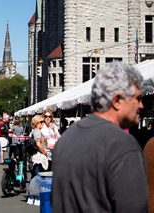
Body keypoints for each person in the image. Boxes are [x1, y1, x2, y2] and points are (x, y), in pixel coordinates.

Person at [51, 61, 148, 212]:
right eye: (137, 99)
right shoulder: (122, 145)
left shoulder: (65, 139)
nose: (141, 105)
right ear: (117, 101)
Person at [27, 115, 48, 206]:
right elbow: (38, 144)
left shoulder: (34, 131)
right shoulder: (37, 131)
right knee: (38, 177)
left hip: (34, 156)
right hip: (38, 157)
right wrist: (45, 152)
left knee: (34, 177)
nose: (43, 123)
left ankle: (31, 197)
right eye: (41, 122)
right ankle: (36, 197)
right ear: (37, 123)